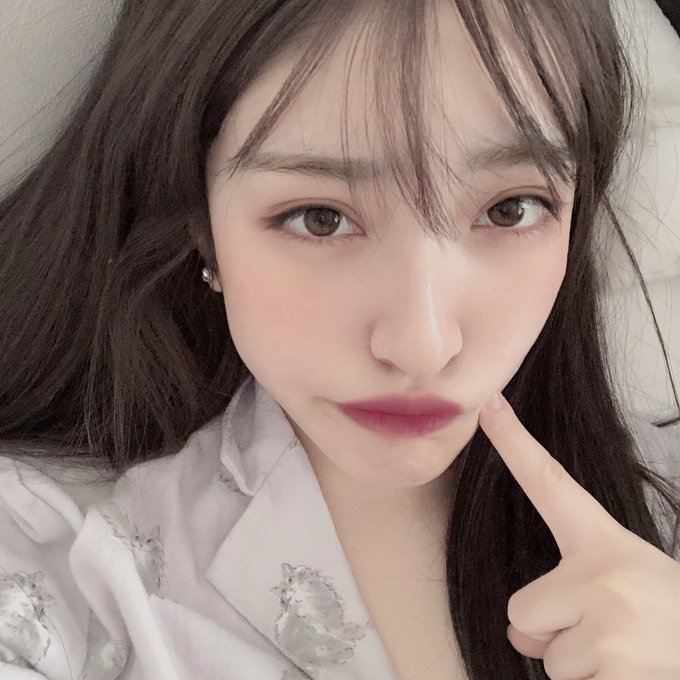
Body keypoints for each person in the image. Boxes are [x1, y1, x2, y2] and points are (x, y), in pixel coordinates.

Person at [0, 0, 679, 678]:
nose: (423, 345)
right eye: (319, 218)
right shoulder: (59, 562)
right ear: (203, 225)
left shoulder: (661, 508)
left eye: (511, 209)